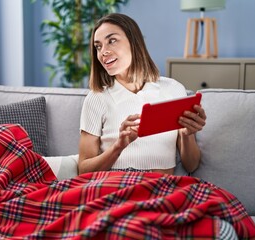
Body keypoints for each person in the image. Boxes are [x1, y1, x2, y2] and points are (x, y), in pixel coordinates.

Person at [78, 13, 207, 176]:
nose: (103, 52)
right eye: (98, 46)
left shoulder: (173, 90)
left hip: (161, 188)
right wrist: (119, 146)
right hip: (115, 186)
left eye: (111, 41)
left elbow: (191, 165)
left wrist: (187, 134)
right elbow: (83, 169)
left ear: (134, 43)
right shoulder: (97, 98)